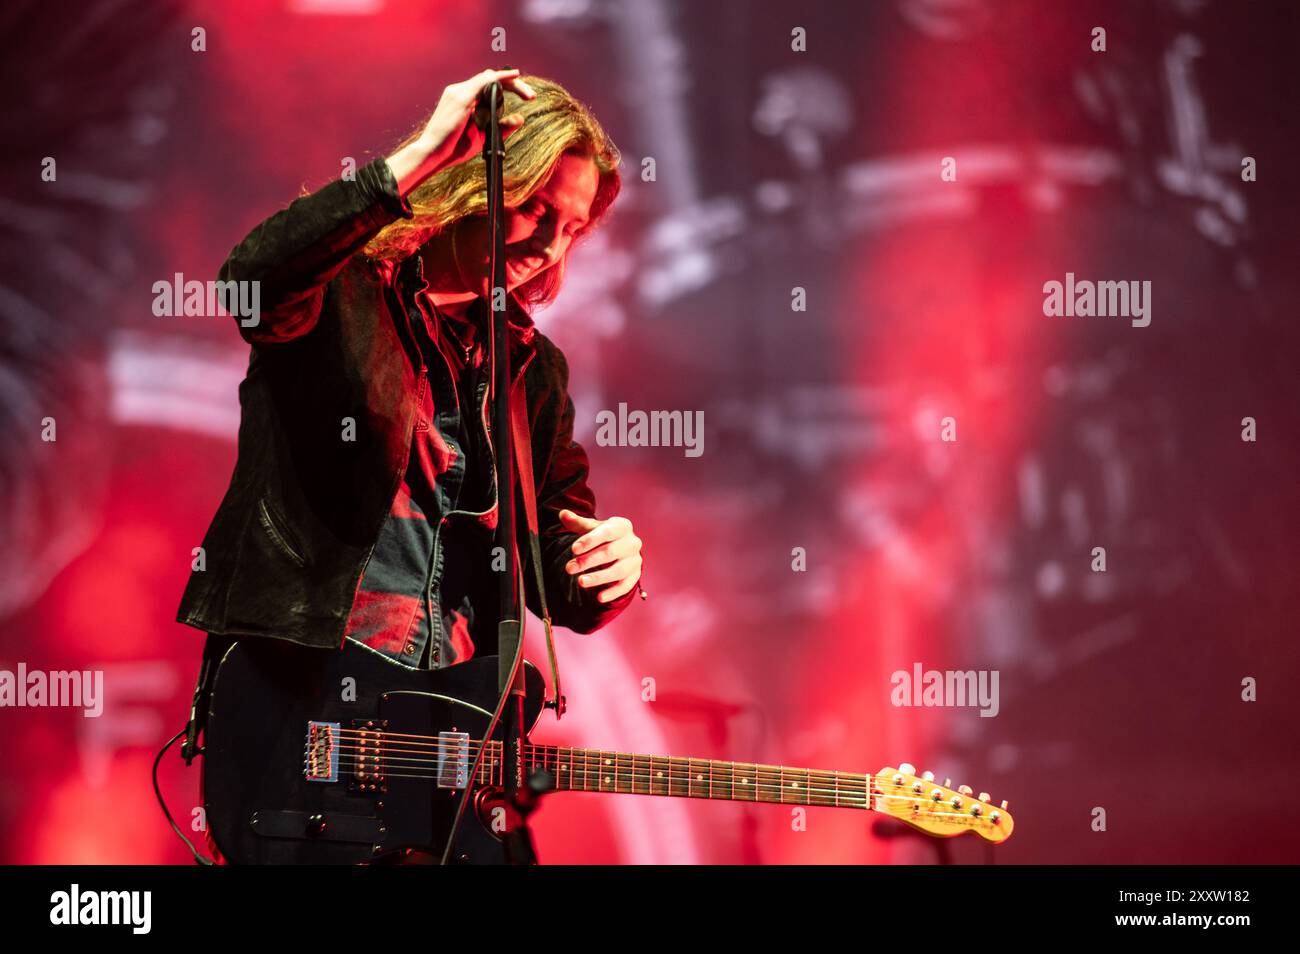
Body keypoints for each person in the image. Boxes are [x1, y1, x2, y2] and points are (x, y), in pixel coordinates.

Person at [175, 68, 643, 679]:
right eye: (534, 209)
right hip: (300, 685)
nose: (551, 248)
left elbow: (556, 571)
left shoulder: (531, 366)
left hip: (444, 718)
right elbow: (249, 288)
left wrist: (608, 568)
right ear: (473, 185)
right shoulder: (343, 288)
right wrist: (422, 158)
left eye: (573, 230)